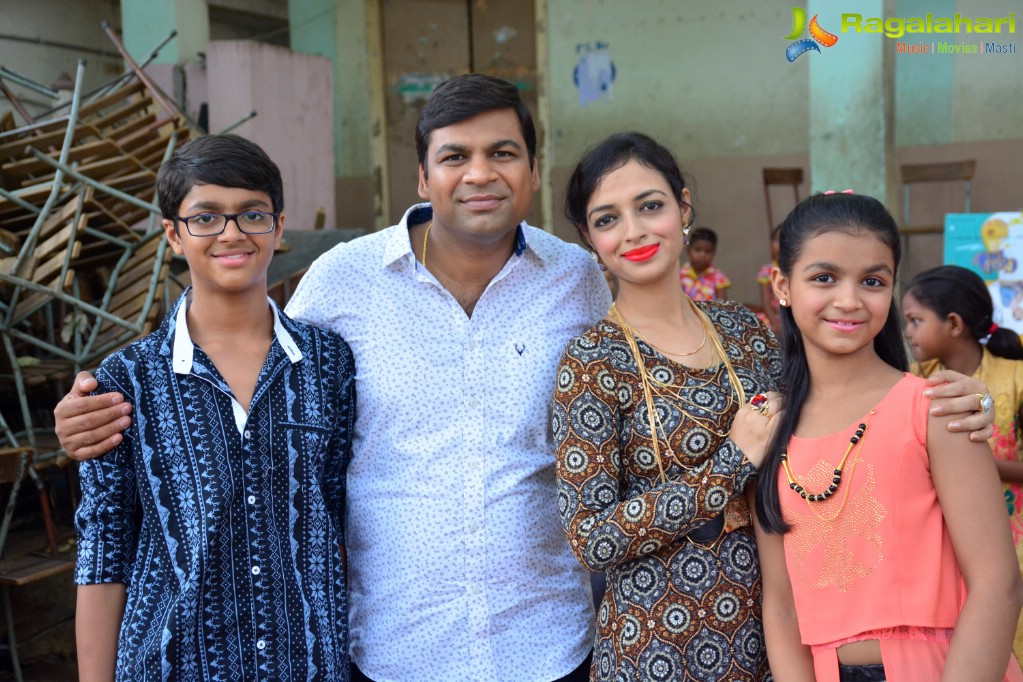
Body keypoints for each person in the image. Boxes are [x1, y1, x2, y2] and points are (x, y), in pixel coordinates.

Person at [53, 84, 995, 681]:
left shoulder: (589, 286)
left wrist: (946, 392)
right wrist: (103, 406)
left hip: (563, 643)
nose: (479, 173)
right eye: (454, 155)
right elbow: (231, 346)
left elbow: (825, 403)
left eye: (502, 152)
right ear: (419, 172)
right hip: (398, 646)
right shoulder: (343, 282)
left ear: (532, 172)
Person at [74, 134, 356, 681]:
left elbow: (344, 515)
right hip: (171, 664)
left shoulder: (329, 363)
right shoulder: (126, 379)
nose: (231, 233)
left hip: (308, 664)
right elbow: (103, 546)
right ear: (173, 235)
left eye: (252, 213)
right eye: (206, 217)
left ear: (278, 227)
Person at [753, 192, 1023, 681]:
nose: (850, 299)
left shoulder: (938, 409)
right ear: (782, 286)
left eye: (873, 281)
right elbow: (781, 604)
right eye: (824, 277)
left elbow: (997, 584)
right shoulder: (768, 431)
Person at [553, 131, 782, 680]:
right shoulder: (592, 360)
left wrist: (950, 400)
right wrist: (730, 464)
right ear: (590, 238)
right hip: (656, 645)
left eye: (649, 206)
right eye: (607, 219)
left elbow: (830, 426)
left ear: (682, 208)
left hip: (778, 633)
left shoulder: (747, 332)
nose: (633, 232)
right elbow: (591, 537)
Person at [903, 264, 1023, 665]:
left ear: (953, 323)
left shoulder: (1016, 377)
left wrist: (969, 459)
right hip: (944, 550)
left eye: (916, 321)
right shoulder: (914, 385)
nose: (907, 333)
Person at [679, 226, 730, 300]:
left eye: (708, 251)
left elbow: (722, 306)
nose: (702, 255)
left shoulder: (719, 277)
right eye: (698, 250)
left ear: (713, 253)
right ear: (688, 250)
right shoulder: (680, 275)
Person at [755, 224, 782, 336]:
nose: (780, 246)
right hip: (774, 314)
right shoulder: (766, 271)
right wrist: (773, 320)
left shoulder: (798, 268)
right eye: (777, 241)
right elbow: (765, 302)